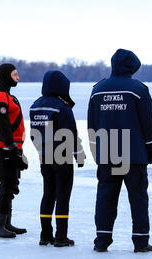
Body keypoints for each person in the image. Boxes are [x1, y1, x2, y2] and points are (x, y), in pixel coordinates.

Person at [88, 49, 152, 253]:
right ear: (133, 66)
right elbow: (148, 124)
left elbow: (92, 126)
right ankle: (141, 241)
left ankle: (101, 240)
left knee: (105, 198)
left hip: (107, 153)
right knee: (138, 198)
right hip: (134, 154)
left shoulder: (98, 90)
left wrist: (98, 151)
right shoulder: (138, 90)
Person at [30, 70, 85, 247]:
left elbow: (34, 134)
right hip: (62, 157)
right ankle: (61, 237)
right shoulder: (62, 107)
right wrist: (78, 154)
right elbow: (70, 133)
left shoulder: (35, 106)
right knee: (62, 196)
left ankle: (45, 235)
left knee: (48, 194)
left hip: (44, 156)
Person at [0, 63, 28, 238]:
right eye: (14, 74)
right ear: (6, 76)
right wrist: (11, 148)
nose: (17, 78)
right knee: (7, 184)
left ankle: (6, 223)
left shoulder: (8, 97)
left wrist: (17, 149)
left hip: (13, 147)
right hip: (4, 148)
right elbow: (2, 125)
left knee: (11, 184)